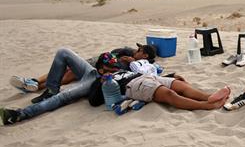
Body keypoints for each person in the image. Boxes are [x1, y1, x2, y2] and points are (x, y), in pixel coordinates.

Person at [89, 52, 230, 111]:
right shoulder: (100, 81)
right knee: (169, 94)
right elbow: (94, 101)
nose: (114, 67)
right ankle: (206, 106)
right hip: (134, 86)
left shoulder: (122, 70)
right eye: (109, 66)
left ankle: (209, 97)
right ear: (101, 69)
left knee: (179, 84)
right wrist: (102, 82)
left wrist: (171, 75)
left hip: (145, 77)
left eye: (115, 65)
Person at [10, 43, 156, 97]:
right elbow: (113, 51)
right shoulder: (128, 51)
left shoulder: (142, 65)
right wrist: (125, 55)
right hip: (93, 62)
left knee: (68, 75)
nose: (136, 50)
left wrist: (132, 63)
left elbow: (145, 73)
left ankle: (34, 85)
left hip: (94, 70)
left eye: (140, 49)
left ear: (145, 55)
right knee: (64, 68)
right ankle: (33, 82)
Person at [1, 47, 102, 125]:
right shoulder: (115, 53)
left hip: (98, 81)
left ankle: (20, 114)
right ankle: (48, 89)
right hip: (92, 71)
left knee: (64, 95)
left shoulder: (117, 71)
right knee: (63, 52)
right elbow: (93, 62)